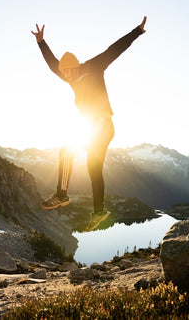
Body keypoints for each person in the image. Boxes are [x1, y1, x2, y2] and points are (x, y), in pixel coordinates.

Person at [31, 16, 147, 231]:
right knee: (92, 168)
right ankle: (98, 211)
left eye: (68, 72)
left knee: (67, 152)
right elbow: (52, 64)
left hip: (102, 124)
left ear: (76, 66)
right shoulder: (68, 75)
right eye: (63, 73)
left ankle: (61, 195)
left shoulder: (94, 67)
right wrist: (41, 43)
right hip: (91, 126)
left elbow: (113, 50)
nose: (66, 77)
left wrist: (137, 31)